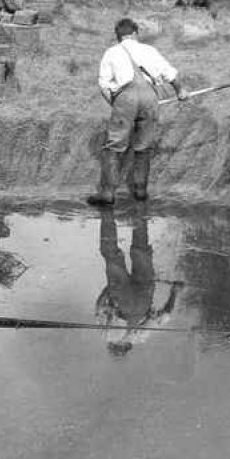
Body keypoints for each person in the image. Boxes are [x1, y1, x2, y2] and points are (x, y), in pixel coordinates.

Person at [88, 18, 189, 205]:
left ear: (118, 36)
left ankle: (107, 193)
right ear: (135, 33)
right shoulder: (149, 50)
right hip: (150, 99)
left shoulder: (111, 52)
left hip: (125, 98)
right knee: (143, 146)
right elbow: (170, 74)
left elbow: (103, 85)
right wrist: (180, 91)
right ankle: (140, 191)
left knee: (114, 146)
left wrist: (116, 104)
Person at [94, 204, 183, 355]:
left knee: (141, 250)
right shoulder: (106, 335)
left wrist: (175, 291)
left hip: (143, 300)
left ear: (127, 347)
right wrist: (111, 287)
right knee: (112, 256)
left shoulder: (139, 338)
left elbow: (165, 316)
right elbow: (101, 306)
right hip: (122, 301)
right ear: (113, 346)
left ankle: (140, 206)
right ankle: (107, 212)